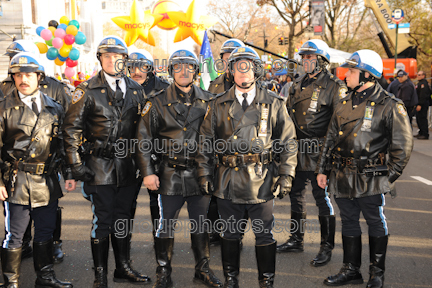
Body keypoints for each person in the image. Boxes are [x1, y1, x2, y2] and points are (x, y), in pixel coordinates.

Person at [196, 46, 297, 288]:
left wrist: (287, 175)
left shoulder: (273, 103)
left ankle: (266, 281)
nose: (243, 73)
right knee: (230, 235)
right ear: (230, 72)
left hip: (262, 180)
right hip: (227, 180)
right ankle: (232, 280)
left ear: (256, 71)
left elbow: (288, 142)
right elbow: (204, 142)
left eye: (247, 67)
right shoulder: (218, 104)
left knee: (264, 235)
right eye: (237, 68)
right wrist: (204, 173)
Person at [316, 50, 413, 288]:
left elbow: (403, 147)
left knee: (375, 222)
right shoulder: (344, 102)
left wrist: (386, 178)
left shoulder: (390, 105)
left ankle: (376, 273)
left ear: (367, 76)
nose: (346, 75)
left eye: (352, 71)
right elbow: (330, 139)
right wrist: (322, 170)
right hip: (342, 174)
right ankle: (351, 270)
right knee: (348, 221)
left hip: (371, 177)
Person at [62, 36, 150, 287]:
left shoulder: (135, 89)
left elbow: (143, 130)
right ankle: (100, 274)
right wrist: (75, 166)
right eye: (107, 56)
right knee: (103, 220)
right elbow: (70, 130)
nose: (113, 61)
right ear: (100, 59)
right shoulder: (87, 90)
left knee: (124, 218)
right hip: (98, 166)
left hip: (128, 167)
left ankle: (122, 267)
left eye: (118, 57)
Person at [136, 49, 222, 288]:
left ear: (195, 71)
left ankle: (202, 270)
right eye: (178, 67)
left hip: (200, 173)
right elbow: (143, 140)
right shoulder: (156, 101)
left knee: (200, 223)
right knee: (166, 224)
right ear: (171, 70)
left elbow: (219, 137)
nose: (183, 71)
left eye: (188, 67)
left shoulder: (209, 101)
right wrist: (148, 172)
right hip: (169, 174)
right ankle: (163, 272)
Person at [0, 52, 74, 288]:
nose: (23, 79)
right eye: (18, 74)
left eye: (28, 74)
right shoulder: (3, 108)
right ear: (13, 78)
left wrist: (69, 174)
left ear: (39, 77)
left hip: (47, 180)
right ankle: (11, 282)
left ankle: (45, 277)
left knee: (45, 231)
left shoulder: (54, 107)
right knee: (16, 234)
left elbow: (61, 144)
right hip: (16, 179)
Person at [278, 39, 347, 268]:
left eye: (310, 57)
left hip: (321, 150)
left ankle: (326, 246)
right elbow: (287, 116)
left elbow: (340, 125)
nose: (305, 61)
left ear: (322, 61)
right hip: (297, 149)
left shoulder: (335, 86)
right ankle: (296, 239)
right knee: (295, 196)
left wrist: (329, 157)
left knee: (322, 198)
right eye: (303, 57)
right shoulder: (296, 84)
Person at [207, 38, 246, 246]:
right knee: (215, 195)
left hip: (242, 150)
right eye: (225, 58)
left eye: (233, 57)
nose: (229, 61)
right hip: (218, 150)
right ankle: (215, 232)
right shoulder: (215, 85)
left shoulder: (250, 82)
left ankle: (236, 236)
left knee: (240, 197)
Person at [415, 71, 431, 139]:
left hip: (423, 104)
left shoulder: (423, 84)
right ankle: (421, 132)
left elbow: (423, 96)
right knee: (419, 118)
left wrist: (420, 104)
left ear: (423, 76)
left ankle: (425, 133)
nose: (417, 76)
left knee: (422, 118)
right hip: (420, 103)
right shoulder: (420, 83)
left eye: (419, 75)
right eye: (417, 75)